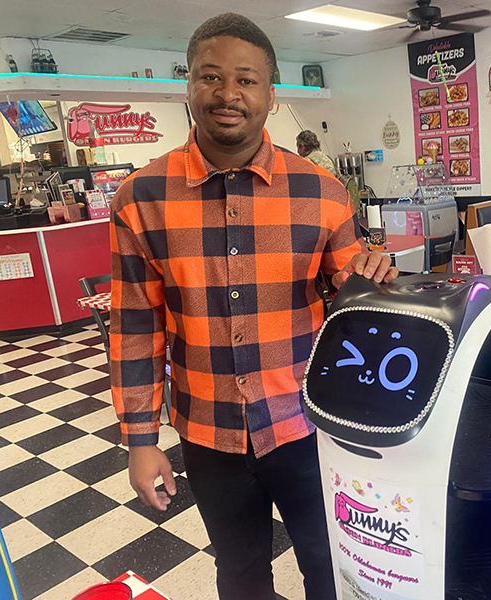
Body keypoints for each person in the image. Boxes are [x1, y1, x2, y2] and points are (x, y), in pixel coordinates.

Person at [109, 13, 398, 600]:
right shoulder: (141, 197)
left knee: (331, 567)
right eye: (210, 77)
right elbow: (136, 325)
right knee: (239, 574)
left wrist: (373, 276)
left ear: (271, 93)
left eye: (246, 79)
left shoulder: (321, 190)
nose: (228, 94)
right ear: (187, 85)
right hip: (207, 432)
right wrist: (141, 440)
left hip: (306, 424)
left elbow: (357, 303)